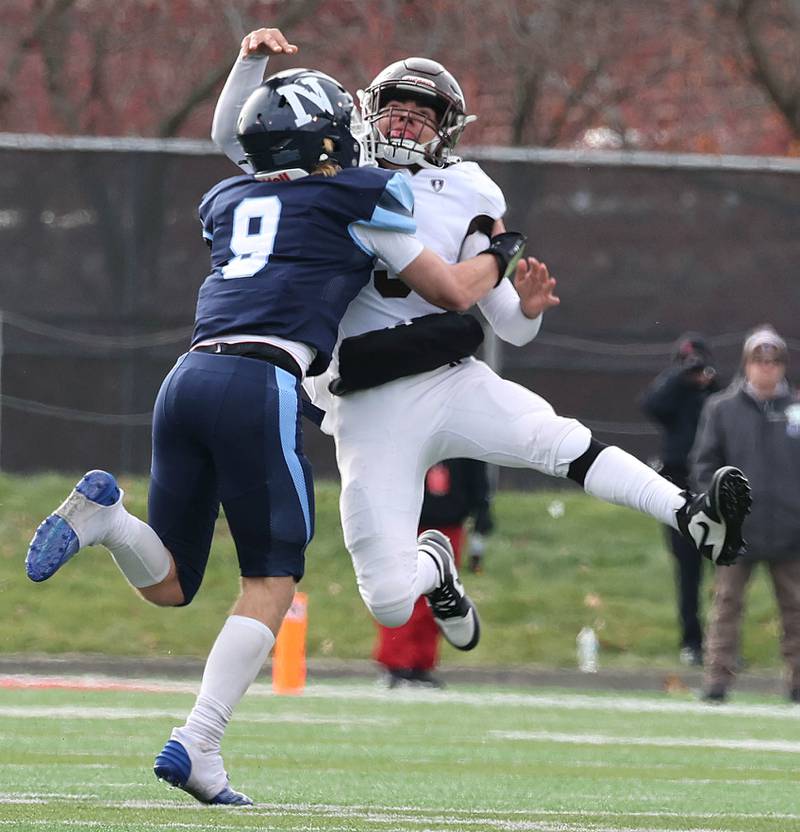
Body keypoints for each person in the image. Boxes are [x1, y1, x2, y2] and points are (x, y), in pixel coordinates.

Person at [24, 68, 539, 806]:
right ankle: (199, 741)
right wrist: (502, 249)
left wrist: (246, 67)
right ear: (331, 136)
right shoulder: (357, 193)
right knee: (271, 581)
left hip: (188, 378)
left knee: (171, 584)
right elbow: (456, 293)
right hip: (261, 382)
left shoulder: (229, 197)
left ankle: (110, 520)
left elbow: (236, 142)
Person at [212, 28, 751, 660]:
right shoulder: (337, 164)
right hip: (363, 402)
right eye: (397, 109)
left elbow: (507, 323)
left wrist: (527, 308)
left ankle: (691, 512)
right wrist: (249, 65)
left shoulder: (469, 189)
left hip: (447, 377)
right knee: (386, 596)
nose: (407, 124)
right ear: (367, 110)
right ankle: (435, 567)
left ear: (447, 129)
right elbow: (233, 139)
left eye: (422, 116)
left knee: (558, 439)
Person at [691, 326, 800, 703]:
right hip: (737, 530)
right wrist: (718, 508)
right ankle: (717, 679)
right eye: (759, 361)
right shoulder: (722, 409)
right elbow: (705, 464)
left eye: (774, 361)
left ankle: (797, 681)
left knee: (796, 609)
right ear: (746, 365)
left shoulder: (796, 410)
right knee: (726, 606)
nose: (766, 369)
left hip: (791, 529)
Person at [375, 458, 494, 688]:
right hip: (407, 522)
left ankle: (421, 663)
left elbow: (476, 467)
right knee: (402, 592)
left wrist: (482, 507)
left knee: (439, 596)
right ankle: (396, 662)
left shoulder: (461, 428)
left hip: (449, 524)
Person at [640, 333, 720, 666]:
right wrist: (680, 377)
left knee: (725, 572)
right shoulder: (672, 394)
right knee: (687, 571)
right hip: (678, 485)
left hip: (713, 486)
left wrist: (705, 381)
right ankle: (692, 641)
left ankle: (722, 643)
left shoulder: (715, 397)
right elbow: (650, 405)